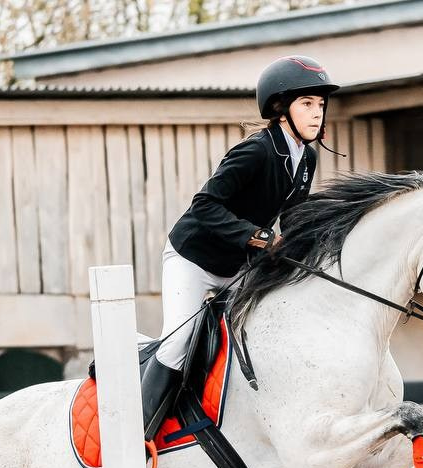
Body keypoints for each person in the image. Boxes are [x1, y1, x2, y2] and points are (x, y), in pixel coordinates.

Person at [140, 55, 340, 440]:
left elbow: (293, 219)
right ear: (281, 110)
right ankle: (139, 434)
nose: (317, 113)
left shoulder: (306, 159)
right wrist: (260, 236)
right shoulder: (256, 151)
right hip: (195, 257)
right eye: (307, 104)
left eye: (320, 104)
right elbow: (204, 205)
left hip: (241, 263)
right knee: (179, 341)